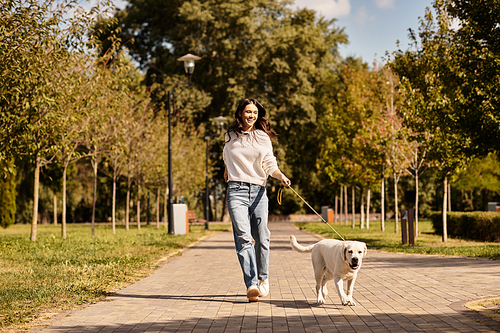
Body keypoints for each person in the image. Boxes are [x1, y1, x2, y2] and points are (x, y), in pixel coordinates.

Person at [223, 98, 291, 302]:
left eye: (254, 112)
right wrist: (227, 168)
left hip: (259, 191)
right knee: (243, 238)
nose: (251, 115)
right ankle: (251, 284)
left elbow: (269, 163)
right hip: (236, 190)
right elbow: (227, 155)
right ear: (240, 113)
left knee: (262, 237)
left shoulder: (263, 137)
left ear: (258, 115)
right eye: (247, 111)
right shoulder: (230, 135)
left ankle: (263, 278)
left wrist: (281, 176)